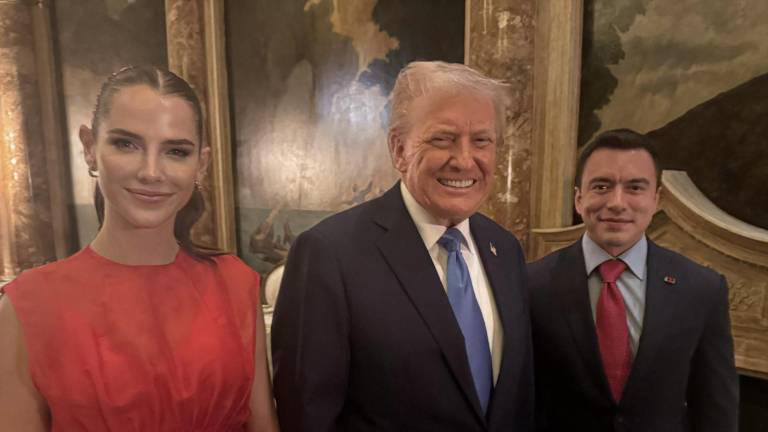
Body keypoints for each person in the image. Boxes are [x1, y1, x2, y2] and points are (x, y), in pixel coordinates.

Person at [0, 66, 279, 432]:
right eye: (126, 144)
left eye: (176, 151)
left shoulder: (235, 283)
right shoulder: (29, 306)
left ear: (201, 163)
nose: (151, 172)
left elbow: (263, 424)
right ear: (89, 147)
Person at [271, 61, 533, 432]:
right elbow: (307, 417)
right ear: (398, 149)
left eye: (481, 141)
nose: (464, 160)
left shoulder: (504, 249)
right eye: (442, 139)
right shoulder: (328, 255)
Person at [528, 129, 738, 431]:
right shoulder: (531, 285)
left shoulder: (702, 290)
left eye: (635, 187)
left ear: (656, 199)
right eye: (601, 186)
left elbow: (716, 409)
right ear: (579, 199)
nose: (617, 202)